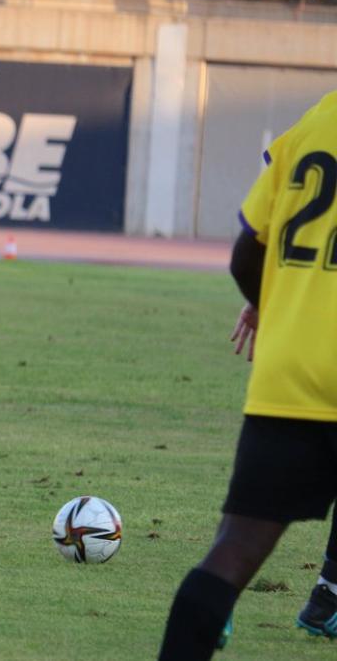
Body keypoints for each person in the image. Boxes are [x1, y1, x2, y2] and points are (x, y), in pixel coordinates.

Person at [158, 92, 337, 659]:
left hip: (291, 372)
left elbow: (244, 253)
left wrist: (270, 305)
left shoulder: (313, 125)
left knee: (232, 553)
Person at [227, 303, 337, 640]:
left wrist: (258, 300)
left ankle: (327, 598)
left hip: (292, 357)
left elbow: (246, 256)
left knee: (258, 500)